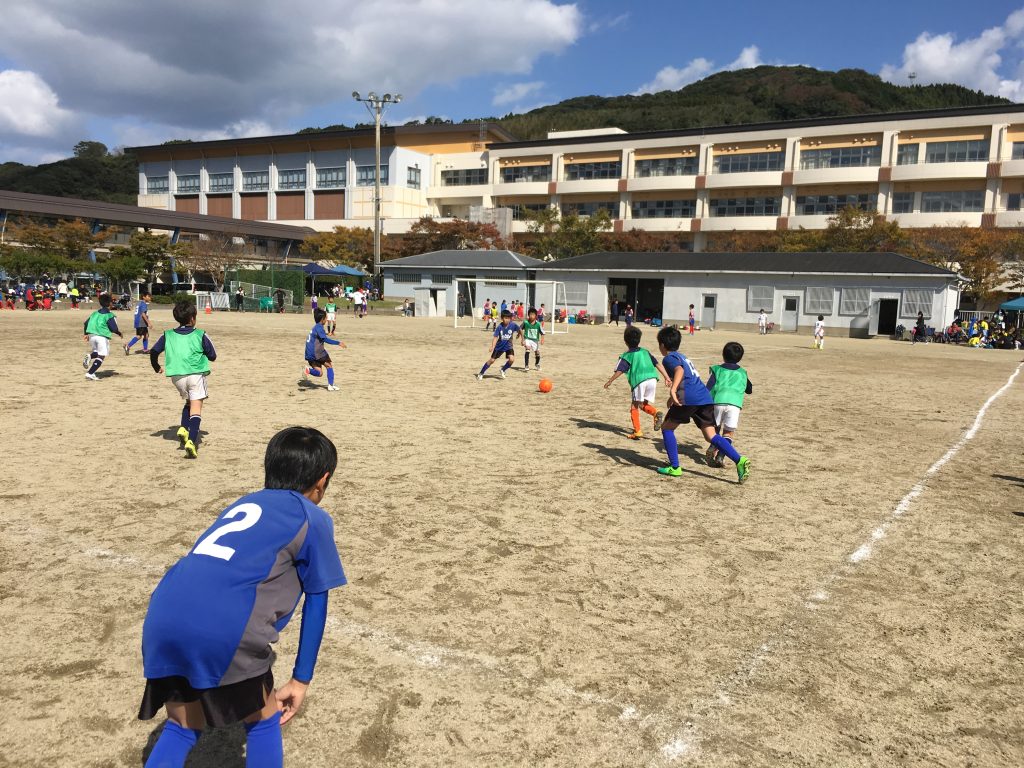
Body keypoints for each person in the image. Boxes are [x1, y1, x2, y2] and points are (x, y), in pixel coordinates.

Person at [137, 426, 347, 768]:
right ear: (322, 481)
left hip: (163, 615)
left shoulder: (245, 502)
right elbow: (317, 599)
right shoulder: (313, 518)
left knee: (181, 726)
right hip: (224, 628)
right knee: (263, 722)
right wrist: (300, 679)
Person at [655, 326, 750, 482]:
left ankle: (674, 467)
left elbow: (679, 372)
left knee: (667, 428)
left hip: (689, 398)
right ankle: (740, 460)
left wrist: (673, 391)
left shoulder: (669, 358)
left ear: (663, 345)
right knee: (710, 435)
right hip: (704, 397)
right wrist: (674, 395)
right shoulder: (683, 356)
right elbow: (688, 378)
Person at [149, 300, 217, 459]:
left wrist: (156, 367)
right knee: (196, 406)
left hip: (176, 377)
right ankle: (191, 442)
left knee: (188, 401)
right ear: (193, 318)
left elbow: (154, 352)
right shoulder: (200, 334)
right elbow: (213, 356)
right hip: (195, 374)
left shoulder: (167, 334)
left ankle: (183, 428)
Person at [603, 326, 668, 440]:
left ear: (625, 341)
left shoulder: (627, 355)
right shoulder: (646, 352)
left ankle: (638, 430)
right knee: (643, 404)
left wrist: (610, 381)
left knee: (634, 405)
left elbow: (620, 370)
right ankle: (655, 413)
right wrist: (667, 377)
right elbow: (658, 364)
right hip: (652, 379)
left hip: (640, 381)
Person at [705, 341, 753, 468]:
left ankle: (713, 445)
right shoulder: (742, 372)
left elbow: (708, 387)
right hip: (734, 404)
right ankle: (720, 456)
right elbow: (749, 389)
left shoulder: (717, 369)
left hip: (718, 401)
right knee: (728, 433)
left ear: (723, 355)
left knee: (715, 429)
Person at [82, 293, 123, 380]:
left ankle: (89, 356)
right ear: (110, 303)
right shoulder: (109, 315)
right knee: (102, 355)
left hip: (92, 336)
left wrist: (85, 334)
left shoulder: (94, 313)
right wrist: (119, 333)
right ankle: (90, 373)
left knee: (97, 352)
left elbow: (86, 323)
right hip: (102, 337)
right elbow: (113, 328)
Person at [303, 308, 346, 391]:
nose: (327, 319)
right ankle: (331, 385)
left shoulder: (315, 327)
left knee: (319, 373)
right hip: (316, 352)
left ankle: (308, 370)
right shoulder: (319, 328)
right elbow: (325, 339)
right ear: (322, 319)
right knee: (329, 366)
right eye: (326, 318)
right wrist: (338, 343)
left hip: (309, 353)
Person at [477, 310, 521, 380]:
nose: (507, 320)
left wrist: (520, 336)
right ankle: (481, 373)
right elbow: (495, 337)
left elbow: (520, 329)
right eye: (505, 318)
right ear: (502, 318)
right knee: (492, 360)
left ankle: (503, 370)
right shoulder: (499, 327)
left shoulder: (513, 325)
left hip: (508, 346)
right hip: (499, 347)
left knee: (512, 359)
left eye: (508, 318)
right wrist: (493, 346)